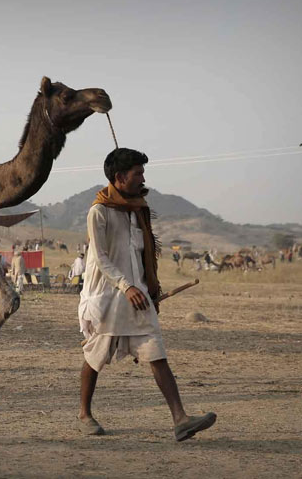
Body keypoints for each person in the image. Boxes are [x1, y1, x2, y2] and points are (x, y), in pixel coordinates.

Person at [77, 148, 215, 441]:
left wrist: (147, 289)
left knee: (157, 352)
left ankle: (180, 419)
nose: (143, 179)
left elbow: (142, 257)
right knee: (95, 356)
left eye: (142, 172)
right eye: (137, 173)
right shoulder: (98, 211)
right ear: (119, 177)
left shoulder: (137, 210)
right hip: (105, 299)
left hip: (138, 297)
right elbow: (101, 258)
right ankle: (84, 414)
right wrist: (125, 285)